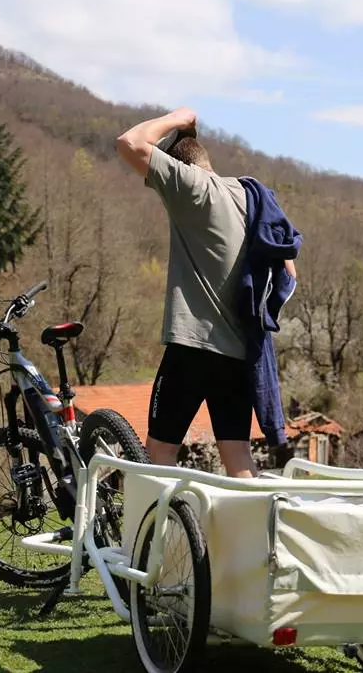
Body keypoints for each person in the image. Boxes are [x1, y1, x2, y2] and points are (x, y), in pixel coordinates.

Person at [115, 107, 299, 478]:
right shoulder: (250, 198)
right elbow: (289, 271)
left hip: (193, 346)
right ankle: (254, 520)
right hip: (239, 352)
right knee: (238, 458)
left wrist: (179, 117)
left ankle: (162, 520)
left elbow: (130, 143)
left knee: (160, 452)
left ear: (179, 167)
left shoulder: (192, 187)